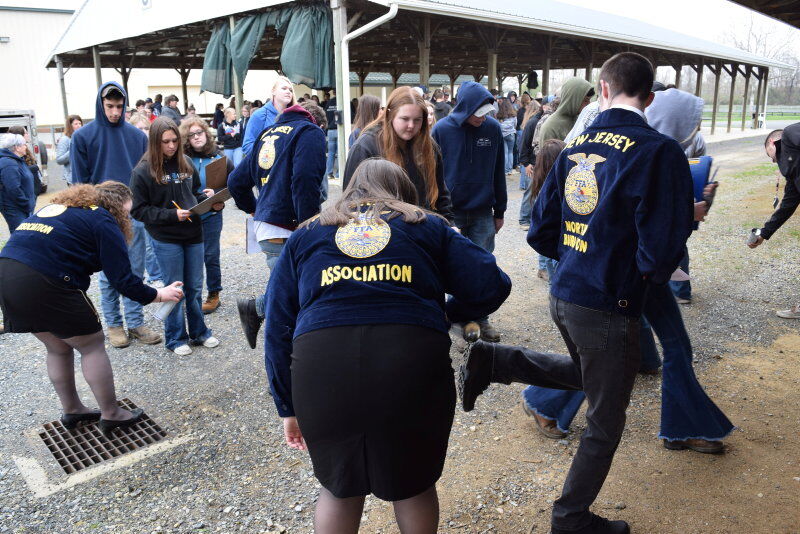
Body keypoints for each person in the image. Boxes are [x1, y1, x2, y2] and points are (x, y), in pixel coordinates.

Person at [461, 52, 694, 534]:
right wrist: (640, 274)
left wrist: (579, 257)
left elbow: (541, 231)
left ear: (603, 90)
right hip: (610, 302)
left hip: (566, 293)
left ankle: (497, 361)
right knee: (606, 419)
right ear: (650, 98)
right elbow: (663, 246)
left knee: (592, 377)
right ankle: (571, 519)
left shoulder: (576, 144)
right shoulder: (658, 151)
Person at [265, 158, 511, 534]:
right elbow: (492, 284)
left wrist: (288, 405)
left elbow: (279, 324)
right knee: (413, 482)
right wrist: (445, 312)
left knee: (339, 485)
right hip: (409, 354)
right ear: (404, 193)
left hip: (322, 362)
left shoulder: (308, 232)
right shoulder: (426, 224)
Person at [0, 182, 184, 435]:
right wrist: (158, 294)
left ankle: (73, 410)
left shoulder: (63, 208)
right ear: (118, 207)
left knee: (57, 347)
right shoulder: (102, 219)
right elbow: (123, 280)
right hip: (46, 279)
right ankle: (112, 413)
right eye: (127, 213)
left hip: (7, 274)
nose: (127, 219)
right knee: (91, 345)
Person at [70, 81, 161, 349]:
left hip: (132, 214)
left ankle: (135, 323)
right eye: (109, 106)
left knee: (134, 270)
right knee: (108, 274)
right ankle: (113, 324)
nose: (114, 112)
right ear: (100, 104)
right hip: (100, 217)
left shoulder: (137, 137)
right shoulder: (83, 137)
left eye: (119, 106)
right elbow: (79, 183)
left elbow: (146, 177)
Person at [229, 102, 326, 349]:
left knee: (288, 292)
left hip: (268, 228)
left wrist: (256, 208)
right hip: (290, 227)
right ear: (319, 123)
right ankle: (285, 368)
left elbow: (236, 181)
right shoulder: (310, 133)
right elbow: (304, 182)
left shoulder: (267, 133)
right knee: (291, 301)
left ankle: (258, 310)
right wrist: (309, 230)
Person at [130, 118, 223, 356]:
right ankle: (175, 338)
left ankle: (200, 332)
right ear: (155, 142)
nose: (171, 146)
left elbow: (193, 194)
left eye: (175, 141)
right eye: (166, 142)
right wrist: (172, 215)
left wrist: (210, 200)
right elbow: (139, 210)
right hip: (166, 237)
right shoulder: (142, 171)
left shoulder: (187, 163)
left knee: (194, 288)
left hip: (193, 233)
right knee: (175, 290)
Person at [432, 80, 507, 342]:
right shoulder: (441, 130)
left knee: (482, 268)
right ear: (466, 108)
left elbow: (499, 171)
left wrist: (501, 210)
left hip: (482, 212)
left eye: (487, 113)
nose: (483, 118)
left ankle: (480, 320)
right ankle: (448, 318)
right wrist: (435, 212)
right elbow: (431, 174)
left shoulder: (494, 129)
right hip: (449, 213)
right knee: (449, 269)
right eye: (479, 112)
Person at [343, 86, 454, 223]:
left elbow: (441, 191)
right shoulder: (366, 146)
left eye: (417, 120)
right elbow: (351, 200)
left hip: (422, 227)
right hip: (381, 230)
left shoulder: (429, 146)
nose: (411, 126)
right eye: (405, 119)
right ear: (390, 114)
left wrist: (449, 223)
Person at [180, 116, 234, 314]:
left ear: (206, 133)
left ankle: (213, 294)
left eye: (199, 133)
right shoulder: (181, 159)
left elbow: (233, 185)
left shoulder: (220, 158)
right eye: (191, 135)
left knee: (211, 256)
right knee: (189, 257)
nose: (196, 137)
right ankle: (191, 295)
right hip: (187, 216)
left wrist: (218, 193)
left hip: (211, 215)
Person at [749, 124, 800, 318]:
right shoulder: (793, 170)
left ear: (772, 142)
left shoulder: (788, 136)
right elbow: (787, 205)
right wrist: (764, 233)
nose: (772, 161)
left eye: (769, 154)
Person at [242, 76, 297, 156]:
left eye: (290, 90)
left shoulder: (295, 115)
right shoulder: (259, 115)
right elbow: (247, 146)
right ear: (273, 91)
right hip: (267, 166)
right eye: (284, 88)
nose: (288, 92)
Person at [0, 134, 36, 233]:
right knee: (21, 235)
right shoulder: (9, 163)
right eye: (24, 144)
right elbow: (13, 188)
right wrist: (26, 203)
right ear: (17, 147)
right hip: (15, 208)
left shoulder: (17, 160)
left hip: (22, 207)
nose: (26, 147)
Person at [517, 100, 543, 229]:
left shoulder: (539, 121)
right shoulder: (533, 122)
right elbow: (524, 145)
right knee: (530, 192)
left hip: (538, 163)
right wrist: (526, 164)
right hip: (532, 164)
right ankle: (524, 219)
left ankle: (532, 218)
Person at [56, 115, 83, 185]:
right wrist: (73, 150)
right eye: (76, 124)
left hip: (84, 176)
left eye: (80, 123)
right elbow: (59, 160)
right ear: (70, 126)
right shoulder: (65, 139)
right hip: (73, 179)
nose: (79, 126)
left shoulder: (82, 137)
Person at [323, 88, 340, 180]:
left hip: (330, 130)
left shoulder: (328, 103)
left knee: (331, 153)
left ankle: (329, 173)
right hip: (340, 129)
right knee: (339, 153)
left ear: (333, 93)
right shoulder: (343, 101)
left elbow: (325, 115)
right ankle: (338, 174)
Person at [497, 99, 518, 175]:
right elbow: (515, 125)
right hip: (511, 134)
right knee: (510, 152)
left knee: (505, 153)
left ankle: (505, 170)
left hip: (502, 135)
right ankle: (510, 170)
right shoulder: (513, 115)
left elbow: (498, 125)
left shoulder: (500, 115)